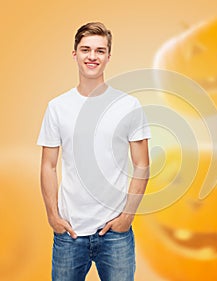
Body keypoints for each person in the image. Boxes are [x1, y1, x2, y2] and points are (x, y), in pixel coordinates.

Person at [37, 22, 151, 281]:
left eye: (100, 51)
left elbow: (142, 164)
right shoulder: (57, 107)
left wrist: (127, 218)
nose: (92, 56)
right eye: (86, 49)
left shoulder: (128, 105)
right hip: (69, 232)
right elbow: (48, 166)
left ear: (108, 57)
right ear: (74, 53)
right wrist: (53, 216)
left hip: (115, 234)